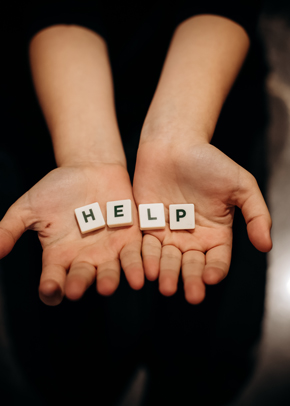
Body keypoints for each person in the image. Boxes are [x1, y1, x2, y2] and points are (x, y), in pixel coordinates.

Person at [0, 1, 272, 404]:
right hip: (53, 99)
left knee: (206, 354)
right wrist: (85, 154)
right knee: (69, 357)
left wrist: (179, 131)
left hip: (208, 92)